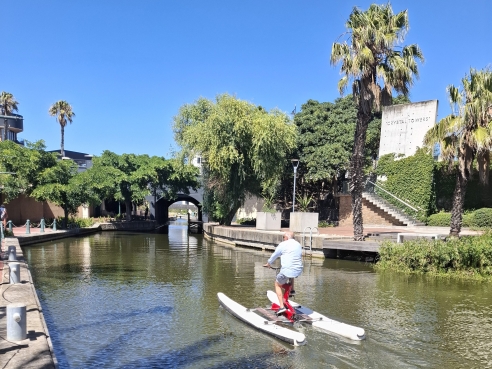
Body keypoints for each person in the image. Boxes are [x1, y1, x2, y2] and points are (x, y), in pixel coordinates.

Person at [263, 231, 303, 315]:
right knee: (290, 274)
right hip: (298, 270)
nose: (283, 239)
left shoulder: (283, 244)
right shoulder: (298, 244)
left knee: (277, 284)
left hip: (287, 270)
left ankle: (281, 307)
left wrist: (269, 263)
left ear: (287, 237)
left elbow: (275, 254)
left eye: (283, 237)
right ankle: (292, 289)